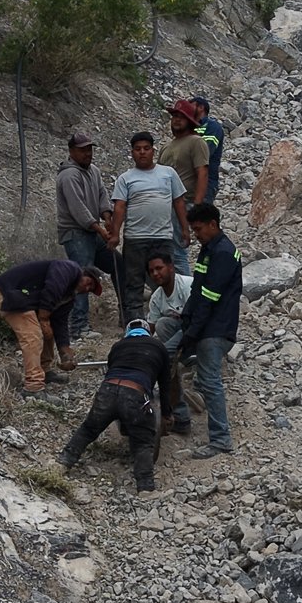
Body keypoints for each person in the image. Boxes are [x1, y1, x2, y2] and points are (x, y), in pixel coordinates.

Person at [56, 319, 172, 494]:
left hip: (107, 390)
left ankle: (62, 463)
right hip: (136, 393)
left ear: (127, 333)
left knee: (88, 429)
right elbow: (165, 385)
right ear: (147, 332)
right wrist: (167, 414)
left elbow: (111, 369)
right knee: (143, 441)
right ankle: (146, 488)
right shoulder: (159, 347)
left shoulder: (118, 346)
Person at [180, 203, 242, 459]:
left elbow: (209, 298)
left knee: (210, 381)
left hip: (216, 329)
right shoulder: (208, 250)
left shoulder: (224, 253)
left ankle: (220, 439)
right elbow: (197, 290)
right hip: (206, 325)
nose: (196, 235)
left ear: (213, 225)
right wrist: (185, 317)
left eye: (198, 229)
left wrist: (192, 333)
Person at [0, 260, 103, 396]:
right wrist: (43, 319)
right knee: (33, 336)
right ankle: (33, 386)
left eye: (90, 289)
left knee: (49, 331)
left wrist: (65, 352)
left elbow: (60, 323)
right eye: (89, 283)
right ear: (83, 274)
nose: (87, 288)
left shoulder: (68, 297)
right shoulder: (69, 268)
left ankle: (44, 370)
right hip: (7, 294)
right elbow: (52, 288)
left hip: (22, 298)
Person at [110, 132, 190, 324]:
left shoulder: (168, 174)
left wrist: (185, 229)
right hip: (135, 238)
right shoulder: (125, 178)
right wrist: (115, 234)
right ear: (132, 153)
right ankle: (134, 324)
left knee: (164, 279)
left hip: (162, 237)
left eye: (146, 148)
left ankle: (166, 319)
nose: (142, 153)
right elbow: (119, 206)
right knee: (134, 282)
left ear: (153, 150)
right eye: (138, 149)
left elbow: (178, 202)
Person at [55, 132, 124, 339]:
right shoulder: (68, 175)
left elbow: (102, 194)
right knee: (82, 277)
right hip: (76, 232)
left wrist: (107, 217)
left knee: (118, 264)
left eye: (89, 149)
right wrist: (102, 229)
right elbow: (78, 210)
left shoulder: (93, 170)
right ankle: (79, 327)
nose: (88, 153)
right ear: (71, 151)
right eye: (83, 149)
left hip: (91, 230)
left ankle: (126, 311)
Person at [158, 99, 209, 275]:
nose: (177, 120)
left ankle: (186, 295)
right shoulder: (166, 146)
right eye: (174, 116)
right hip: (163, 205)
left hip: (184, 203)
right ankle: (171, 292)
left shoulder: (196, 142)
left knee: (178, 252)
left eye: (182, 117)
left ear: (189, 120)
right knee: (162, 251)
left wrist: (197, 206)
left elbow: (202, 173)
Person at [146, 251, 193, 351]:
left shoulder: (187, 286)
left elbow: (196, 320)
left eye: (159, 268)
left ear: (171, 267)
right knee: (162, 323)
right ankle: (182, 354)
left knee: (164, 353)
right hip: (182, 329)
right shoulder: (156, 298)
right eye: (151, 271)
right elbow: (151, 328)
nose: (155, 274)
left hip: (197, 328)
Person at [191, 95, 225, 206]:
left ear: (201, 107)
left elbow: (205, 152)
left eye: (191, 106)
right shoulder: (189, 127)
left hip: (206, 183)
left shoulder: (212, 126)